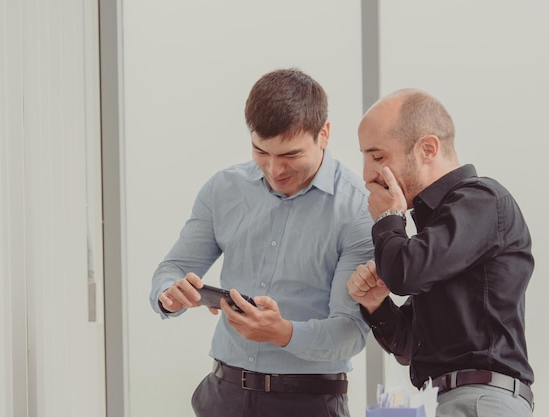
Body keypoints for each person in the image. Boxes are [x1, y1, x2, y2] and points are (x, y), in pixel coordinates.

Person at [149, 68, 374, 417]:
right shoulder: (223, 189)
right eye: (261, 151)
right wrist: (170, 294)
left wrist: (283, 333)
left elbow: (351, 331)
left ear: (324, 134)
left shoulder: (359, 208)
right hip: (223, 396)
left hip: (309, 403)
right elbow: (172, 269)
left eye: (290, 155)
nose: (274, 169)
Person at [347, 88, 535, 416]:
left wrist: (387, 218)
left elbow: (405, 275)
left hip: (480, 401)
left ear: (428, 149)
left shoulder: (482, 201)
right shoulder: (438, 229)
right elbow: (411, 348)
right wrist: (377, 305)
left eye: (377, 157)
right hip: (449, 399)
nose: (367, 175)